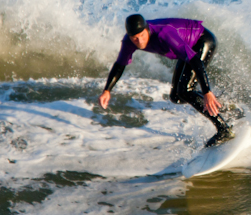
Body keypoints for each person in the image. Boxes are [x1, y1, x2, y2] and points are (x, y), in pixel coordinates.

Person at [97, 14, 234, 147]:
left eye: (142, 36)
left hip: (201, 41)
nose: (140, 41)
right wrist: (107, 90)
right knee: (176, 96)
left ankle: (224, 129)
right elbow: (120, 65)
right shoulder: (128, 41)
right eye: (135, 38)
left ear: (147, 30)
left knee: (185, 90)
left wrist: (207, 92)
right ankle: (223, 107)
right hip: (185, 49)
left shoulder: (164, 34)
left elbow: (194, 60)